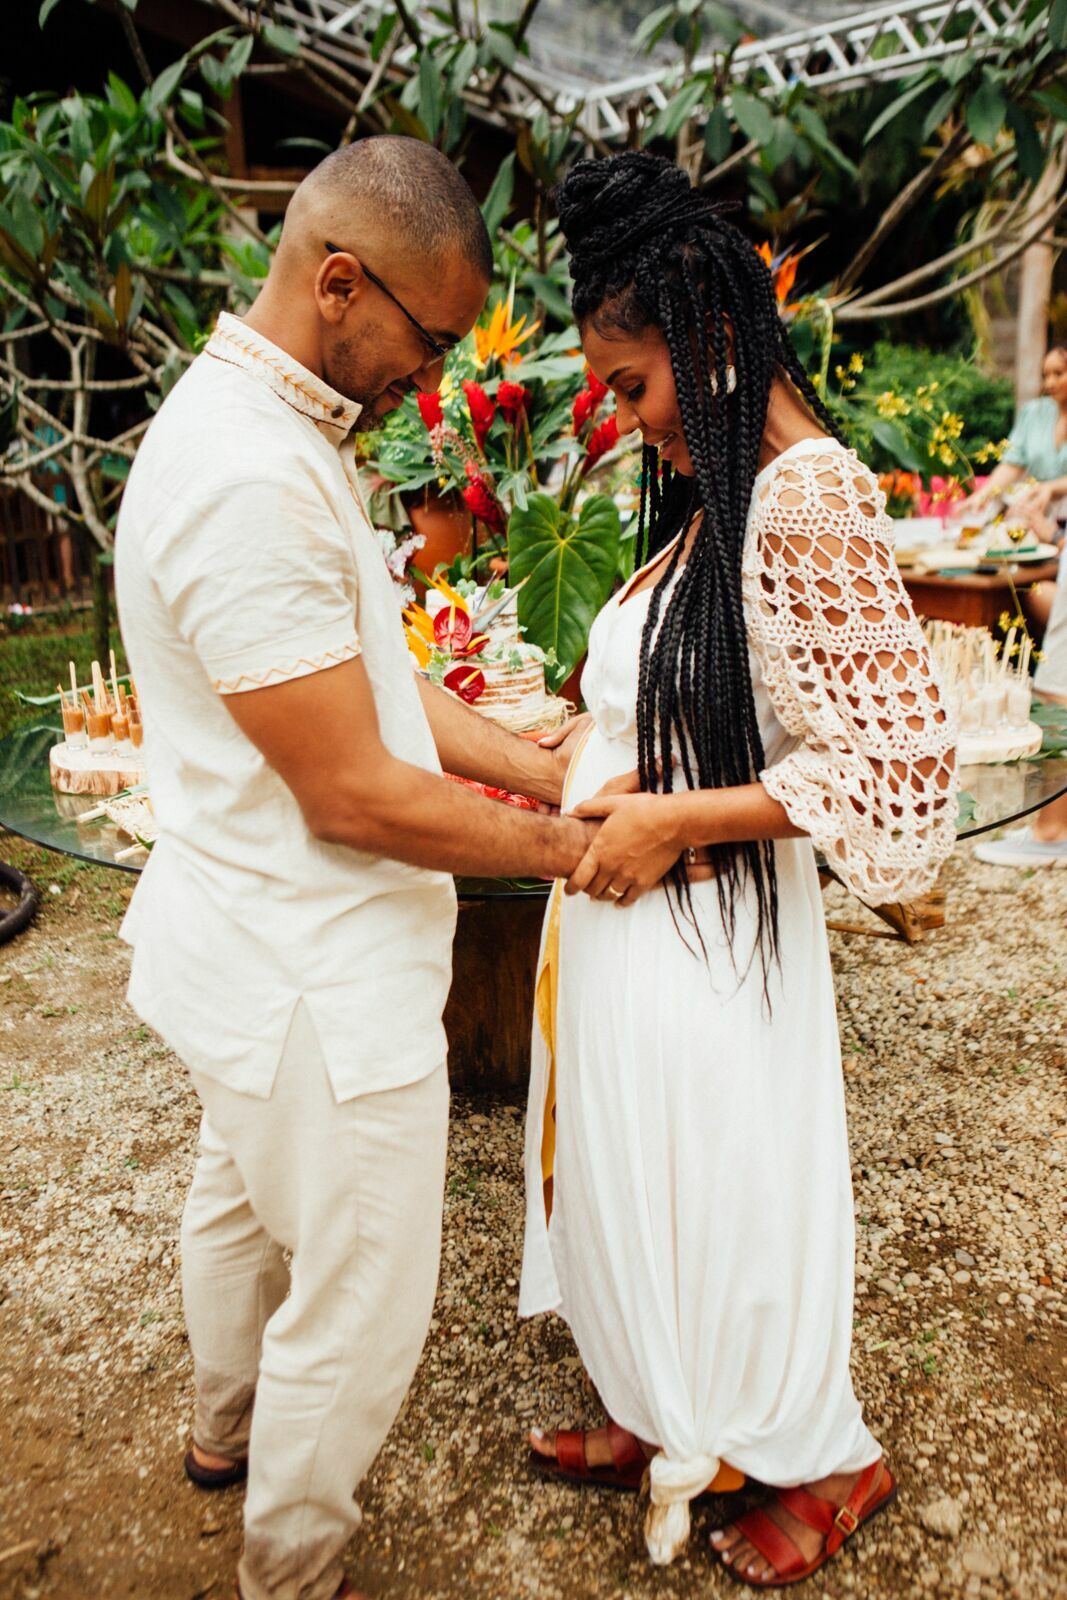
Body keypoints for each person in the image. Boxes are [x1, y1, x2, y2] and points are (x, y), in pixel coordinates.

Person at [115, 137, 610, 1600]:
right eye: (433, 338)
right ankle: (296, 1561)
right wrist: (570, 851)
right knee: (360, 1297)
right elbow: (349, 789)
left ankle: (222, 1436)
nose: (441, 381)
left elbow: (375, 684)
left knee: (234, 1208)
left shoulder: (262, 426)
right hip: (313, 981)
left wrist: (547, 761)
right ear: (342, 283)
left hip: (240, 944)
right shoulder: (249, 480)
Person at [519, 153, 958, 1588]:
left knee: (725, 1193)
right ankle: (666, 1412)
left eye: (635, 387)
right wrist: (621, 778)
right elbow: (741, 706)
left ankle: (821, 1453)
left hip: (708, 930)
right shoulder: (729, 494)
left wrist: (676, 822)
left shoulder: (805, 497)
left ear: (706, 347)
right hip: (636, 917)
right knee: (638, 1184)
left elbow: (897, 767)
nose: (632, 426)